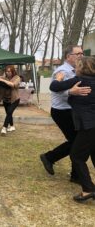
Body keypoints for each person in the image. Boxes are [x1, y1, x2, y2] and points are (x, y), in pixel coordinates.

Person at [39, 45, 90, 183]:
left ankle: (75, 174)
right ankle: (50, 157)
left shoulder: (78, 71)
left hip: (72, 110)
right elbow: (56, 91)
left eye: (82, 53)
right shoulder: (62, 71)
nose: (81, 55)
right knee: (76, 142)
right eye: (78, 53)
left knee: (77, 142)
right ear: (69, 57)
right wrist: (70, 92)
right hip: (62, 111)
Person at [49, 56, 95, 202]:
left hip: (88, 126)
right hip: (91, 124)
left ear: (82, 67)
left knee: (76, 156)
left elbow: (54, 87)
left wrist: (59, 78)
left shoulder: (79, 80)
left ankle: (88, 189)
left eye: (78, 65)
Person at [0, 65, 21, 135]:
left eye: (9, 71)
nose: (7, 73)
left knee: (9, 112)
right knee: (8, 114)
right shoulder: (4, 77)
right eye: (6, 71)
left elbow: (13, 85)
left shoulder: (17, 77)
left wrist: (2, 80)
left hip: (15, 99)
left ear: (12, 71)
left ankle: (4, 128)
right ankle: (12, 126)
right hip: (6, 99)